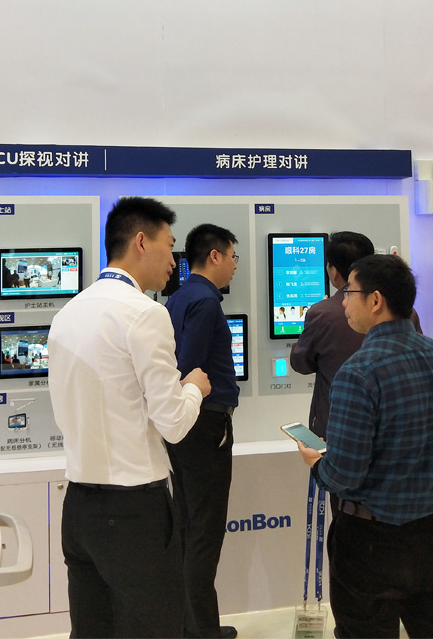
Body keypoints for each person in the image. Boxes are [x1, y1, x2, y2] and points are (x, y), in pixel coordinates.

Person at [48, 196, 211, 639]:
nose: (174, 261)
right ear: (141, 242)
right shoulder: (145, 313)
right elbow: (174, 423)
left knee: (92, 630)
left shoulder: (67, 314)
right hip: (135, 512)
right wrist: (194, 388)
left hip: (79, 507)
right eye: (169, 245)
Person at [296, 254, 433, 639]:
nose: (344, 301)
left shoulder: (358, 372)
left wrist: (316, 462)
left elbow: (344, 474)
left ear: (375, 300)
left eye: (349, 292)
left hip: (370, 545)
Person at [164, 223, 240, 639]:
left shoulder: (178, 297)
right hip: (205, 423)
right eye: (232, 257)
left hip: (187, 425)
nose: (234, 266)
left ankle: (190, 624)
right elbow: (188, 365)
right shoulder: (206, 301)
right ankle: (201, 631)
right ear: (214, 256)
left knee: (189, 525)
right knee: (204, 532)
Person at [290, 231, 422, 439]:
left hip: (336, 428)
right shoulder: (405, 313)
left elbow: (301, 363)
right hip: (396, 427)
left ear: (334, 271)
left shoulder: (323, 314)